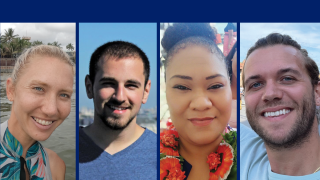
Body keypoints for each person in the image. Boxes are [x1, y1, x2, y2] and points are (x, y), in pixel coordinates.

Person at [160, 23, 237, 180]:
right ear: (166, 92)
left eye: (215, 85)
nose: (201, 104)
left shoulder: (253, 154)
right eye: (182, 87)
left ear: (231, 88)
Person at [241, 33, 320, 179]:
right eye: (256, 84)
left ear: (317, 92)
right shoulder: (241, 150)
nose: (270, 94)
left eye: (287, 78)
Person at [79, 41, 157, 179]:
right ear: (89, 87)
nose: (119, 97)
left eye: (131, 85)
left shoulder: (166, 155)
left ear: (146, 91)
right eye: (109, 83)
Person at [0, 45, 75, 180]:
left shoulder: (55, 167)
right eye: (38, 88)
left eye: (64, 95)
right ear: (11, 90)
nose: (51, 110)